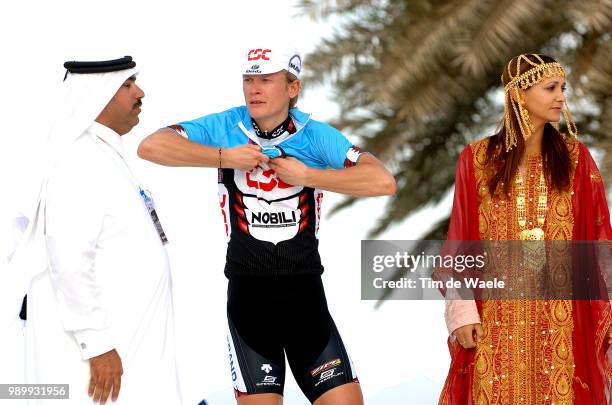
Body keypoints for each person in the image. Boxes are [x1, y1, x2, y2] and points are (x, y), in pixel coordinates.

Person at [138, 43, 396, 405]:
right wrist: (225, 156)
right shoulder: (227, 126)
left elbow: (382, 181)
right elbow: (151, 146)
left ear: (292, 88)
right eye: (248, 79)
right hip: (249, 303)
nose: (253, 88)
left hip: (307, 301)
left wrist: (309, 174)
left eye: (265, 79)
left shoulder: (314, 135)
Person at [5, 56, 181, 405]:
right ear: (97, 94)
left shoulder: (103, 157)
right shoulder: (78, 162)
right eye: (128, 85)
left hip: (127, 355)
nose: (140, 92)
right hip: (93, 367)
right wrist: (96, 345)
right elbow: (68, 258)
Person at [437, 54, 612, 404]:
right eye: (551, 88)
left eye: (562, 88)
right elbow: (460, 242)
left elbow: (600, 240)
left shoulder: (577, 159)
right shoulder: (477, 159)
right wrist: (462, 311)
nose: (561, 97)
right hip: (495, 317)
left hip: (565, 320)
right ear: (518, 94)